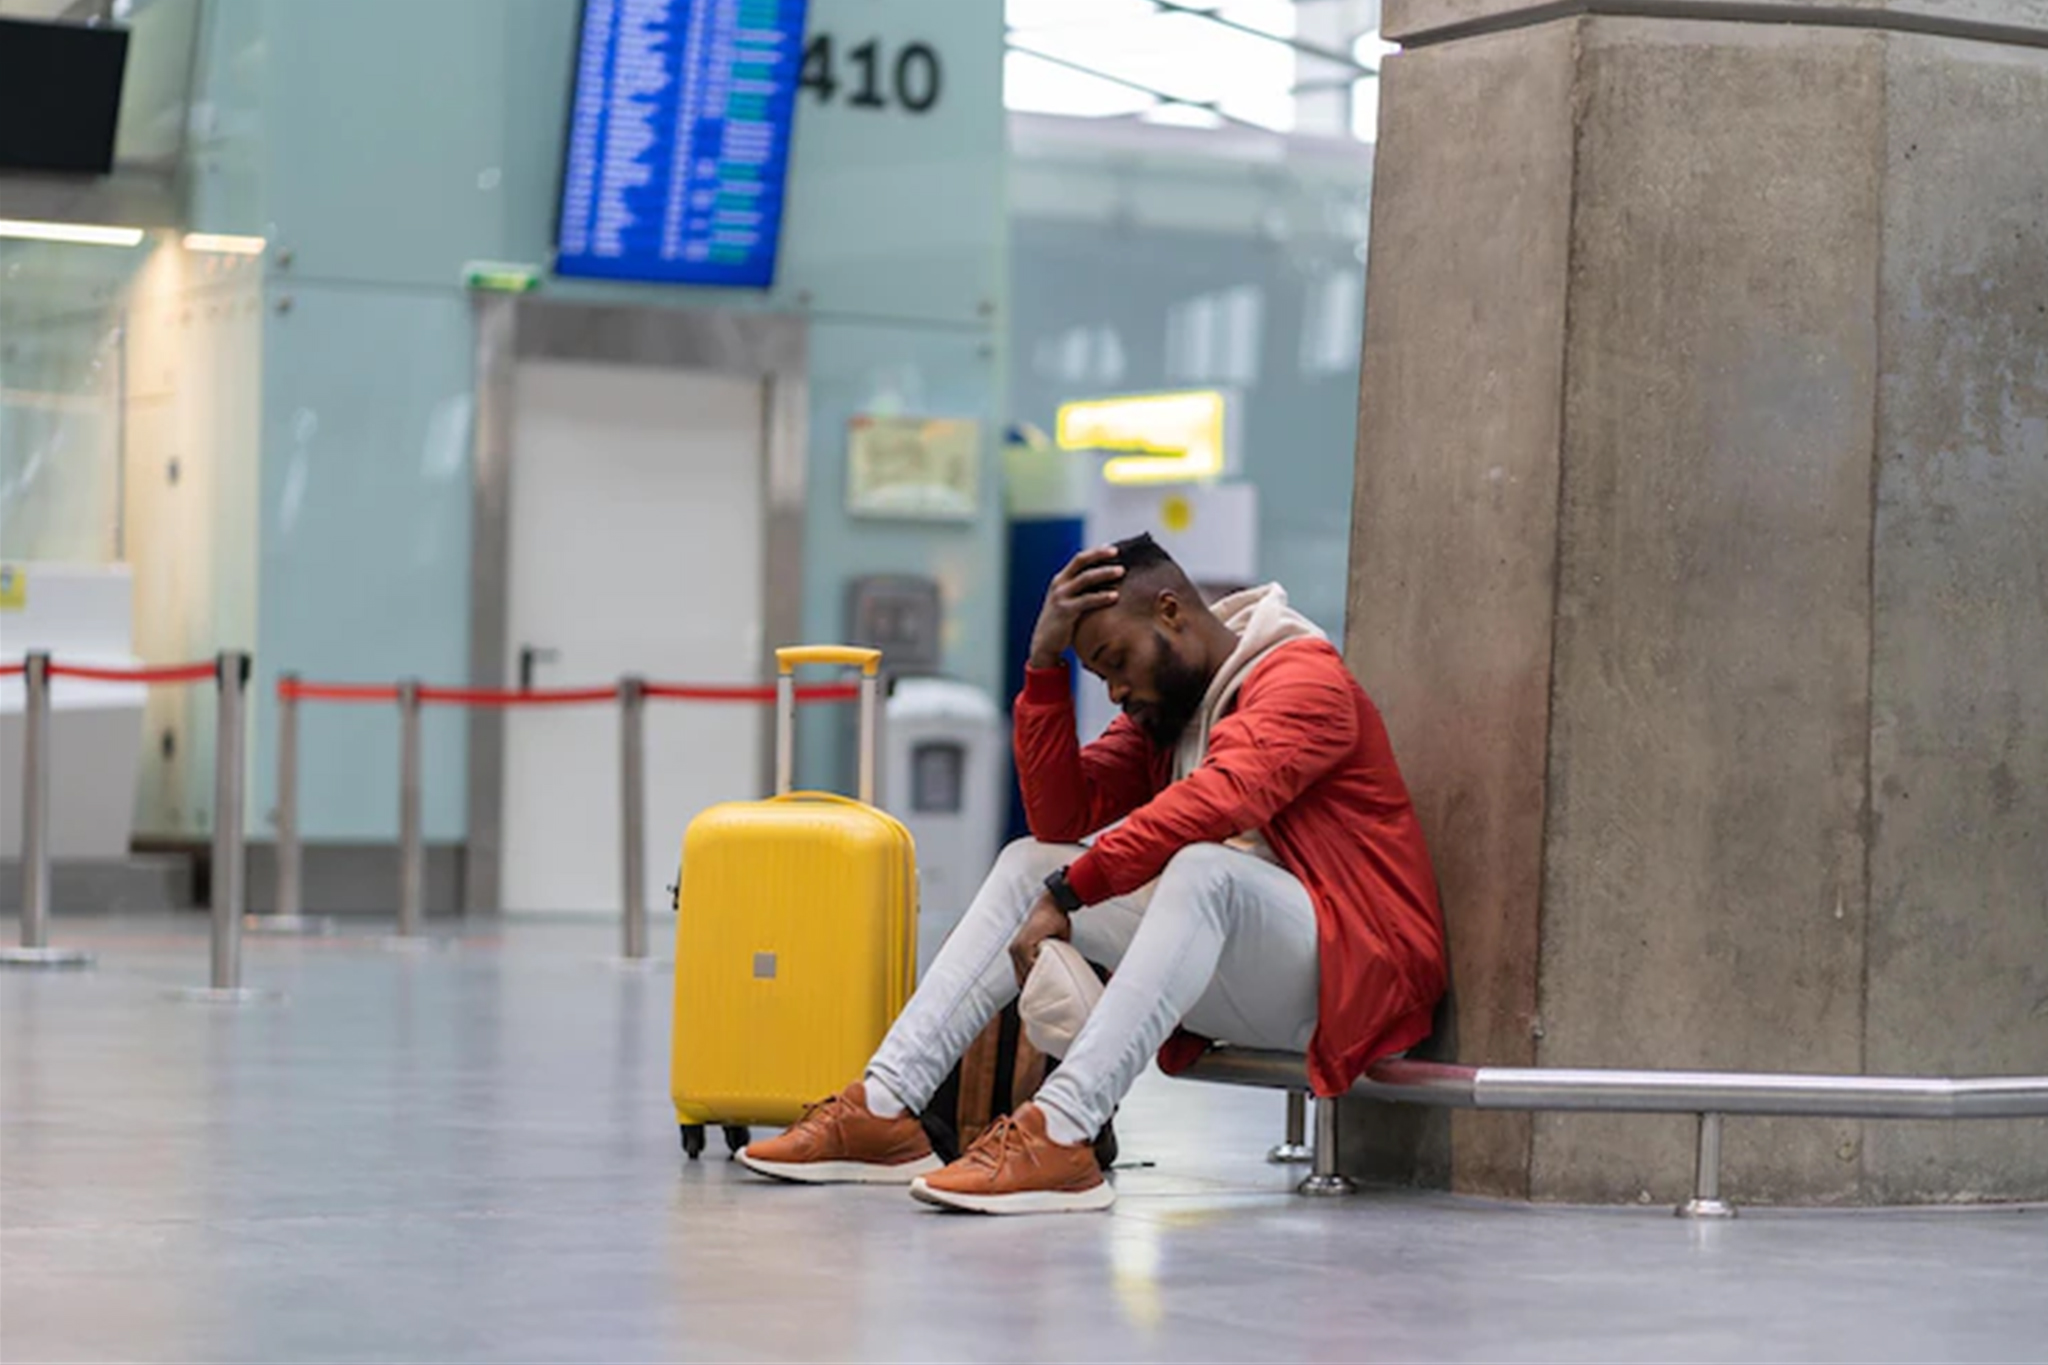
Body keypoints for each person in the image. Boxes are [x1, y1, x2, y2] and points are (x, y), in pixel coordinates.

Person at [740, 533, 1447, 1214]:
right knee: (1027, 863)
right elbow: (1060, 817)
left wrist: (1072, 894)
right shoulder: (1170, 713)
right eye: (1099, 675)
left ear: (1170, 610)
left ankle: (1064, 1133)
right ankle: (887, 1110)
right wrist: (1042, 666)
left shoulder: (1303, 679)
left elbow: (1215, 801)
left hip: (1357, 973)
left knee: (1202, 868)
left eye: (1115, 660)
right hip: (1253, 970)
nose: (1113, 691)